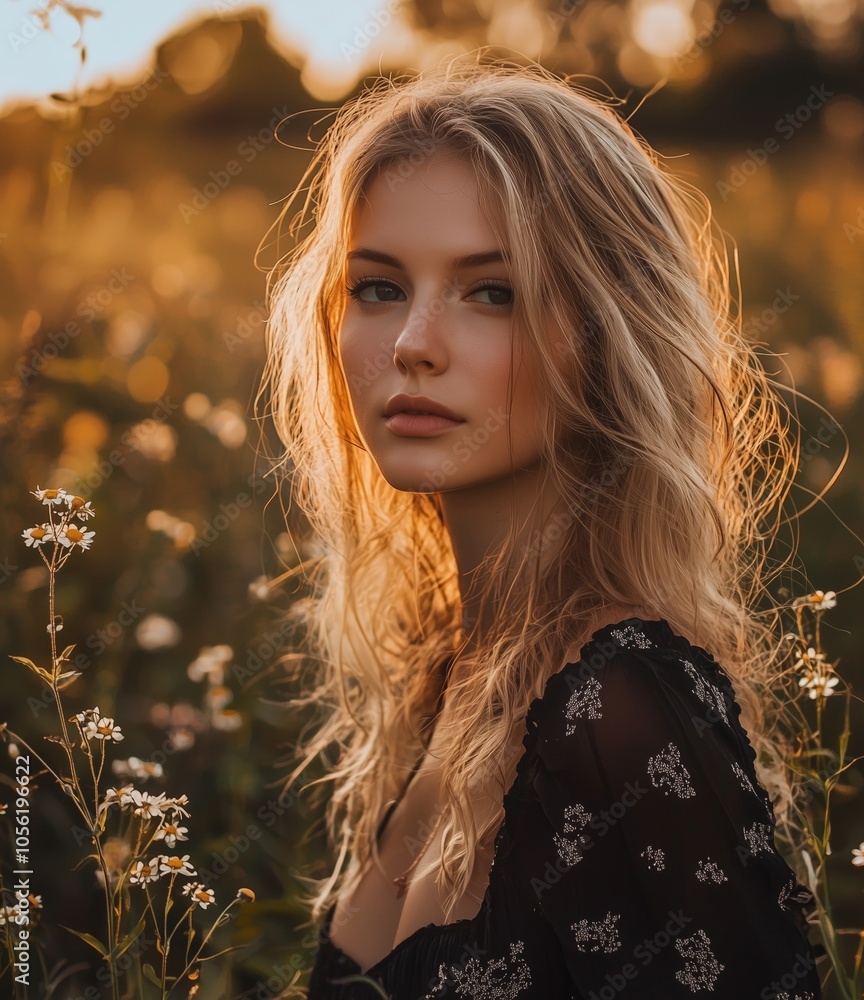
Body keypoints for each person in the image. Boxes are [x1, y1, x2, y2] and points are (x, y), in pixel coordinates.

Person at [259, 51, 825, 999]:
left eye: (493, 292)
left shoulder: (619, 705)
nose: (411, 345)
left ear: (611, 333)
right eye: (378, 287)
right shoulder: (452, 670)